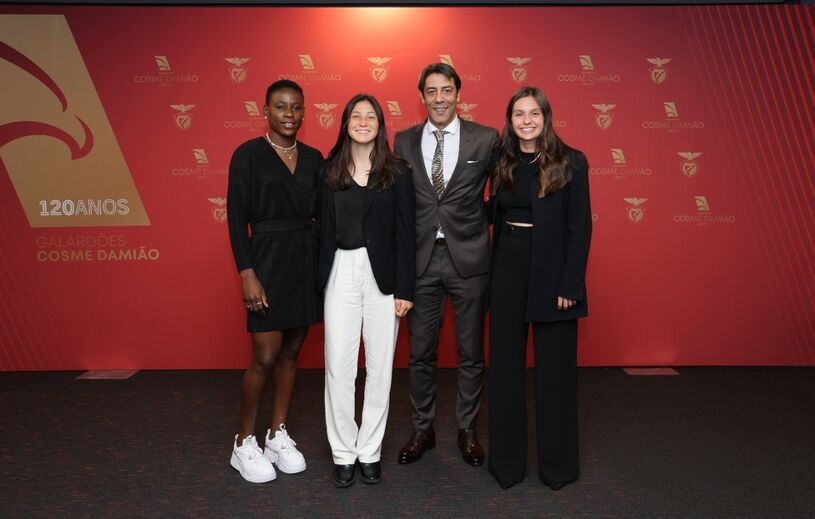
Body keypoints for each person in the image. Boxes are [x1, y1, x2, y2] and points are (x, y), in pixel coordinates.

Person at [393, 63, 498, 467]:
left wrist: (476, 226)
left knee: (471, 352)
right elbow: (396, 202)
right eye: (431, 91)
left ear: (458, 93)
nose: (439, 98)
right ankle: (423, 429)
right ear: (422, 97)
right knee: (420, 353)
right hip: (420, 262)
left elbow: (503, 195)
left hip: (469, 260)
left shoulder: (486, 139)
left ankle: (467, 429)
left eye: (447, 90)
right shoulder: (402, 141)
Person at [487, 86, 592, 490]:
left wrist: (571, 283)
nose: (526, 121)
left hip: (554, 276)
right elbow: (493, 211)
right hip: (507, 268)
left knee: (556, 374)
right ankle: (507, 466)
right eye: (518, 114)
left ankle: (559, 468)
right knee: (506, 370)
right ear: (510, 121)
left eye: (534, 113)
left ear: (546, 117)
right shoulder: (503, 159)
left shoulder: (572, 162)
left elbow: (580, 227)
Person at [226, 79, 323, 483]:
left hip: (304, 259)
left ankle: (276, 434)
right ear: (265, 110)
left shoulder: (316, 158)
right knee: (265, 355)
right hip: (265, 260)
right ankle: (243, 441)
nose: (289, 114)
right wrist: (247, 273)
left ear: (304, 112)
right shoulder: (247, 155)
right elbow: (235, 218)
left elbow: (326, 214)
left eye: (296, 107)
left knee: (290, 354)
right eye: (281, 107)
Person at [319, 94, 415, 487]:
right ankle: (343, 452)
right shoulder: (327, 173)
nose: (363, 121)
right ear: (345, 123)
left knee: (379, 370)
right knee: (339, 368)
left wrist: (405, 289)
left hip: (384, 279)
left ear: (380, 123)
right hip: (340, 273)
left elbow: (408, 234)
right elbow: (320, 232)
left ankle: (369, 450)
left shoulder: (399, 172)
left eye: (370, 116)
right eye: (355, 116)